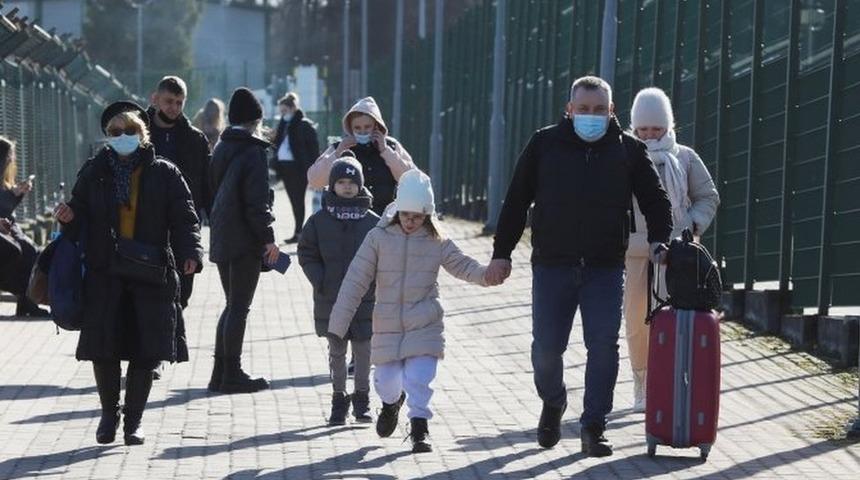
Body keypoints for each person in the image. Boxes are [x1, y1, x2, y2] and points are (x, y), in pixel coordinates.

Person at [485, 76, 673, 457]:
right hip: (552, 265)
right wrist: (502, 253)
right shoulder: (544, 144)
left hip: (605, 267)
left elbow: (656, 201)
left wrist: (660, 239)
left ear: (611, 111)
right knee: (546, 350)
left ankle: (593, 426)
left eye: (599, 110)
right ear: (569, 110)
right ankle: (553, 401)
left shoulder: (629, 151)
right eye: (583, 109)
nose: (591, 116)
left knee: (603, 346)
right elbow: (516, 200)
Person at [53, 101, 203, 446]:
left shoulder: (164, 172)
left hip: (152, 271)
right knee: (104, 347)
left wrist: (191, 253)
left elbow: (184, 217)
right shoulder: (95, 170)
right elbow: (79, 208)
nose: (122, 138)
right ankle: (109, 414)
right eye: (115, 133)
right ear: (107, 137)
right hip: (106, 272)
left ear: (143, 133)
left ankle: (133, 421)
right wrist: (68, 215)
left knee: (146, 349)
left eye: (130, 132)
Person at [328, 169, 491, 454]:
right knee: (386, 382)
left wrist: (487, 275)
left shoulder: (437, 240)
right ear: (397, 210)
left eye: (417, 217)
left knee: (420, 377)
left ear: (427, 215)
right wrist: (338, 324)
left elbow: (462, 265)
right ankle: (391, 404)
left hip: (425, 322)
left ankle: (419, 428)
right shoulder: (378, 238)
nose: (410, 222)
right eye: (406, 215)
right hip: (387, 324)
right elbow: (355, 280)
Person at [624, 87, 720, 412]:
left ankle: (675, 381)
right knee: (637, 319)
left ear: (668, 126)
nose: (650, 135)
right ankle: (641, 381)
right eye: (643, 129)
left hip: (678, 255)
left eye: (656, 129)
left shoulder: (685, 158)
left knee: (678, 319)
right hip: (635, 253)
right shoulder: (624, 155)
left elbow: (707, 197)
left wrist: (691, 228)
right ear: (634, 127)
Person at [297, 152, 378, 426]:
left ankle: (363, 399)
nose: (346, 186)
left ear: (361, 185)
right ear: (332, 185)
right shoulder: (319, 221)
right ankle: (338, 400)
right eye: (341, 181)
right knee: (336, 351)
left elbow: (384, 257)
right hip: (330, 297)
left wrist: (376, 284)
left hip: (365, 299)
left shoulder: (373, 222)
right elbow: (306, 252)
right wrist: (319, 280)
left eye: (351, 182)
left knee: (365, 351)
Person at [207, 87, 279, 394]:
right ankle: (232, 373)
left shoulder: (222, 147)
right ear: (256, 121)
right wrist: (269, 239)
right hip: (245, 240)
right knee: (239, 307)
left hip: (222, 235)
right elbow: (256, 203)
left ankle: (219, 372)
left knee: (231, 305)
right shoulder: (253, 152)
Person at [147, 75, 211, 310]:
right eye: (168, 101)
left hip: (182, 230)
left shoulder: (195, 140)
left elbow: (208, 187)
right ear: (155, 99)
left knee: (180, 298)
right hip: (144, 231)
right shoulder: (136, 134)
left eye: (179, 102)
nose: (174, 107)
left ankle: (174, 345)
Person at [307, 96, 414, 216]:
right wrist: (337, 153)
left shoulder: (391, 146)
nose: (362, 132)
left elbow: (411, 179)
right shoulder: (339, 147)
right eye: (357, 128)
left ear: (376, 126)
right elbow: (315, 181)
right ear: (350, 129)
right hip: (348, 222)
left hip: (384, 221)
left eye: (367, 127)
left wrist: (385, 151)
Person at [0, 136, 48, 316]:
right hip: (4, 230)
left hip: (8, 227)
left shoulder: (4, 182)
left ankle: (27, 301)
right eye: (8, 157)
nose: (11, 161)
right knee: (20, 251)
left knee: (33, 251)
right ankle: (25, 300)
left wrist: (17, 193)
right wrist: (14, 194)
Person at [272, 92, 320, 244]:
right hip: (285, 167)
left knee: (298, 201)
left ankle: (300, 232)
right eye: (281, 111)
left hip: (298, 168)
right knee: (294, 201)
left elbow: (313, 149)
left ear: (293, 108)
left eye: (285, 111)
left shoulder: (304, 124)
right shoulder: (283, 124)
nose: (283, 114)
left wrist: (312, 170)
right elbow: (278, 143)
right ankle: (298, 231)